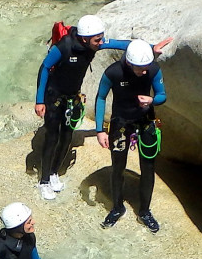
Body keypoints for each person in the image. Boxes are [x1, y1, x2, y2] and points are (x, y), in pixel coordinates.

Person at [35, 15, 171, 201]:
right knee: (52, 136)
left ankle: (53, 173)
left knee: (67, 135)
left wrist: (150, 48)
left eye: (101, 38)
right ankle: (43, 181)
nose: (101, 42)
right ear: (84, 39)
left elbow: (121, 44)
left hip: (72, 96)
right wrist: (39, 100)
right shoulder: (64, 47)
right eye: (98, 39)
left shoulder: (94, 43)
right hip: (53, 96)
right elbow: (44, 68)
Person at [95, 39, 167, 233]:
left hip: (145, 121)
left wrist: (152, 100)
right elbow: (101, 97)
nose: (145, 72)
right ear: (129, 63)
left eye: (146, 68)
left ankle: (144, 211)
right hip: (121, 122)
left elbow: (162, 94)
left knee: (148, 167)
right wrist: (100, 130)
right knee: (118, 166)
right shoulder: (113, 72)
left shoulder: (152, 69)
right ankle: (117, 207)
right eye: (140, 69)